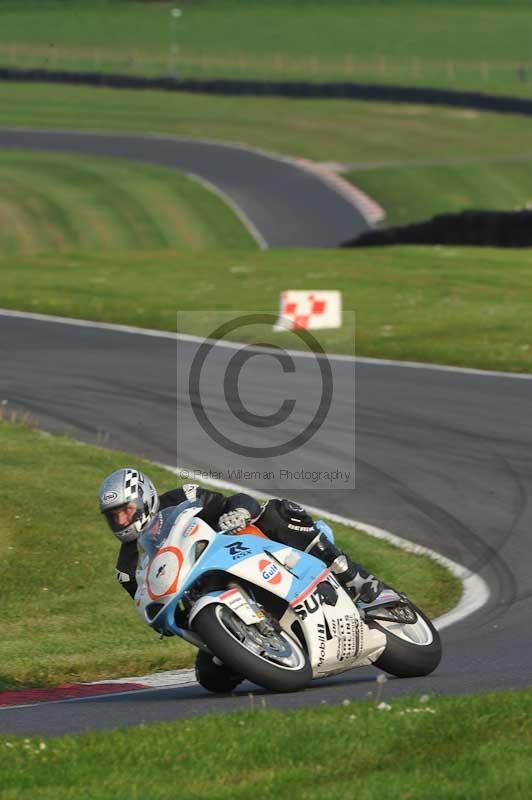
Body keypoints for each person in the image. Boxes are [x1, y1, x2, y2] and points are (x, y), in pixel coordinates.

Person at [99, 467, 395, 606]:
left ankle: (354, 577)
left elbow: (232, 501)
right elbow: (150, 607)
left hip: (240, 551)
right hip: (206, 599)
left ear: (143, 498)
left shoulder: (181, 497)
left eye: (125, 510)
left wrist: (238, 512)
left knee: (274, 511)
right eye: (114, 516)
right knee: (211, 677)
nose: (121, 520)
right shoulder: (126, 570)